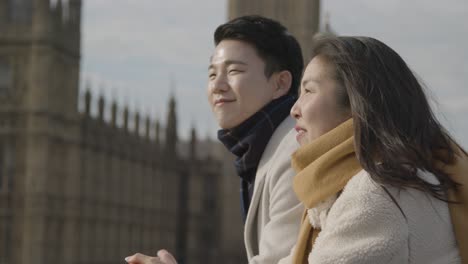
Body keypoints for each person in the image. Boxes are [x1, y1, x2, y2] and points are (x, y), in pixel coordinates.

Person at [126, 15, 304, 264]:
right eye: (212, 74)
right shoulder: (260, 151)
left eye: (234, 71)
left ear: (280, 83)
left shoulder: (295, 153)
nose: (218, 85)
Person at [286, 36, 466, 263]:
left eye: (308, 91)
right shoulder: (404, 172)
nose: (294, 109)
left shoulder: (377, 191)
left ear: (356, 103)